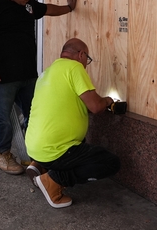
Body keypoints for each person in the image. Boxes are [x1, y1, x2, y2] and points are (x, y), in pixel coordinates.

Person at [0, 0, 77, 174]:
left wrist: (68, 8)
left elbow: (48, 9)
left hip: (29, 75)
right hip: (2, 76)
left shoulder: (28, 6)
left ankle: (35, 153)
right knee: (0, 115)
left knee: (35, 113)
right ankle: (2, 154)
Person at [24, 38, 120, 208]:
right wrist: (107, 100)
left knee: (79, 143)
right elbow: (96, 107)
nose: (86, 65)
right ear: (82, 55)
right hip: (55, 150)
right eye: (87, 60)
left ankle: (40, 166)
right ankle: (54, 181)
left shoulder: (48, 72)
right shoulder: (75, 67)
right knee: (109, 162)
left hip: (34, 148)